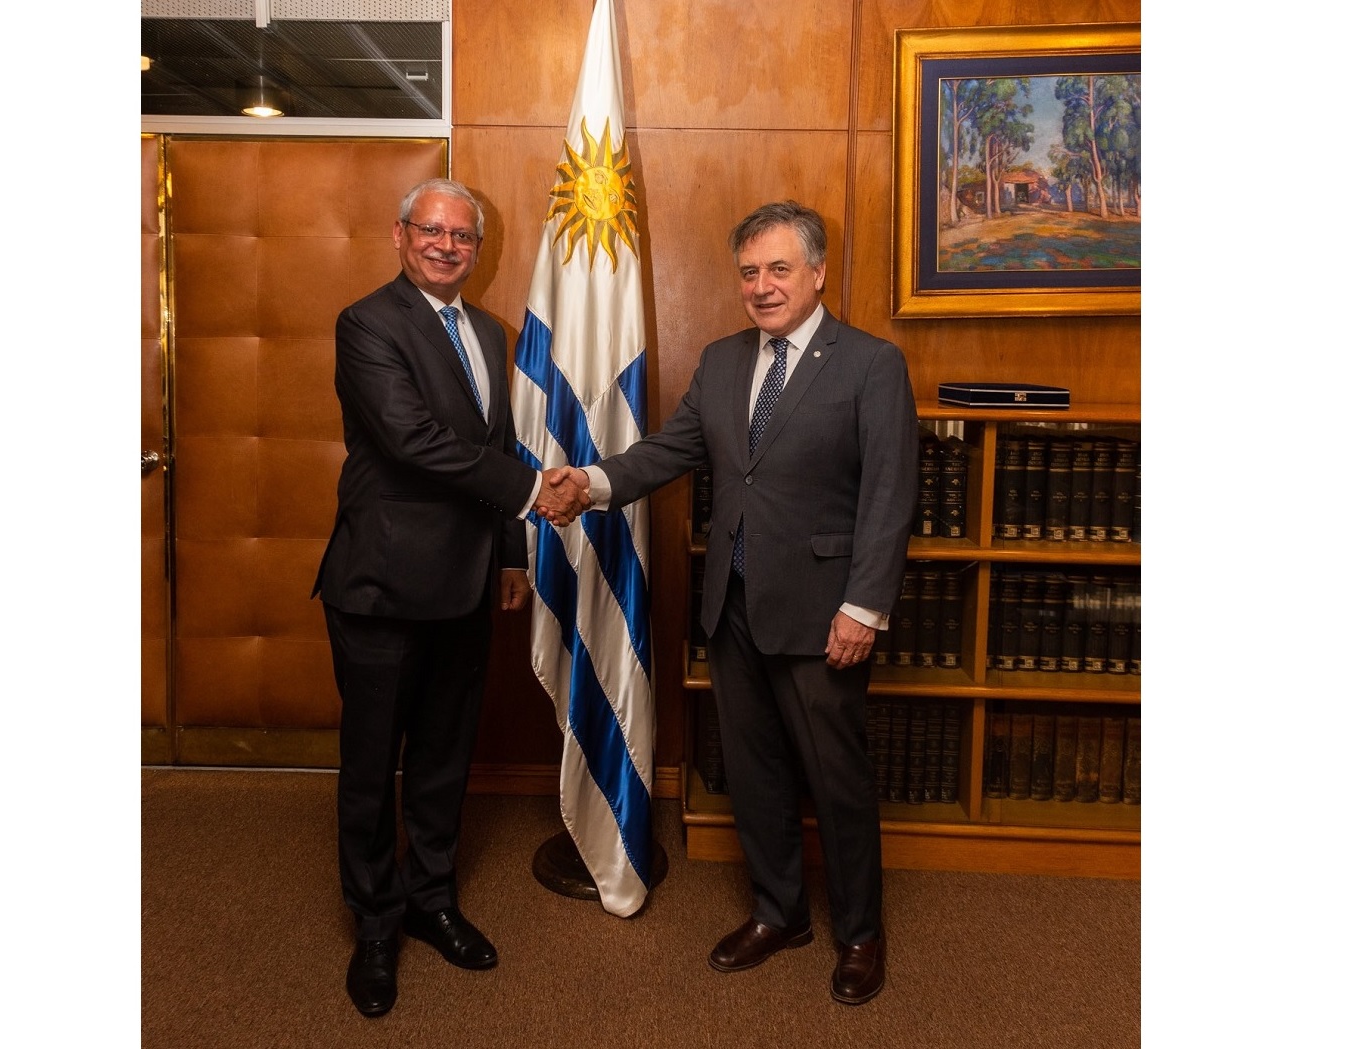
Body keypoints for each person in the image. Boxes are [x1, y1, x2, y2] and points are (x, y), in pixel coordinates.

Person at [559, 200, 917, 1005]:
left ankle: (859, 931)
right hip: (734, 605)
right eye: (750, 272)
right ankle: (779, 910)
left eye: (779, 269)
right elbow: (669, 450)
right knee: (752, 773)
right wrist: (590, 482)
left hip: (825, 614)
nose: (762, 286)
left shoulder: (869, 364)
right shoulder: (722, 361)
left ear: (817, 273)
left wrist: (863, 608)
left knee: (837, 782)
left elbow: (890, 496)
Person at [312, 177, 589, 1018]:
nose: (445, 245)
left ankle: (431, 899)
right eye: (430, 230)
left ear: (478, 248)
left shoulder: (487, 329)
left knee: (442, 756)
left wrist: (511, 552)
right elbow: (411, 439)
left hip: (467, 582)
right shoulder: (367, 324)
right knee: (371, 767)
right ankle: (374, 923)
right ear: (399, 235)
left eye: (462, 236)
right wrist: (535, 493)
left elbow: (490, 444)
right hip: (381, 585)